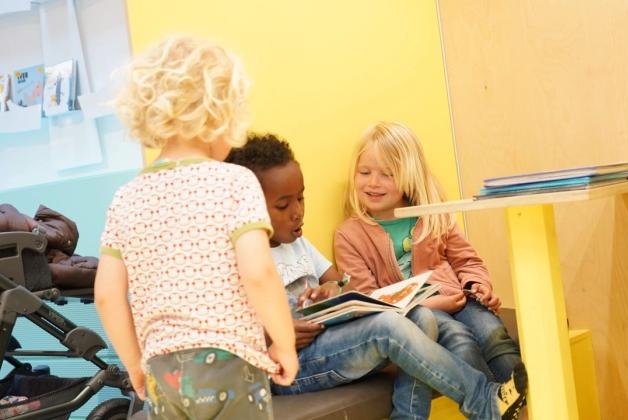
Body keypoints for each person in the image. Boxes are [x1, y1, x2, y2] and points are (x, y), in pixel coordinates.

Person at [226, 133, 527, 420]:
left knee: (422, 319)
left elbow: (339, 283)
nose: (297, 212)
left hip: (330, 342)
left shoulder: (298, 244)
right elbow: (224, 329)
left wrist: (330, 290)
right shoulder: (234, 257)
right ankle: (482, 401)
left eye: (301, 199)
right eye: (283, 205)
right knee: (389, 326)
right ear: (247, 208)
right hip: (292, 365)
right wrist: (275, 333)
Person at [94, 35, 297, 420]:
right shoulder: (234, 182)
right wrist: (284, 343)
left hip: (162, 371)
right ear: (219, 113)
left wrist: (136, 364)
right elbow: (258, 273)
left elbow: (106, 295)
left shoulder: (125, 197)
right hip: (231, 362)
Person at [335, 121, 523, 384]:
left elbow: (467, 261)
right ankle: (492, 407)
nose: (373, 183)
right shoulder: (349, 235)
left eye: (387, 174)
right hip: (416, 313)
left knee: (493, 333)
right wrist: (427, 304)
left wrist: (479, 285)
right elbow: (368, 302)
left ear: (409, 175)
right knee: (459, 340)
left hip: (460, 298)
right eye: (364, 172)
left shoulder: (432, 215)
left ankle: (527, 404)